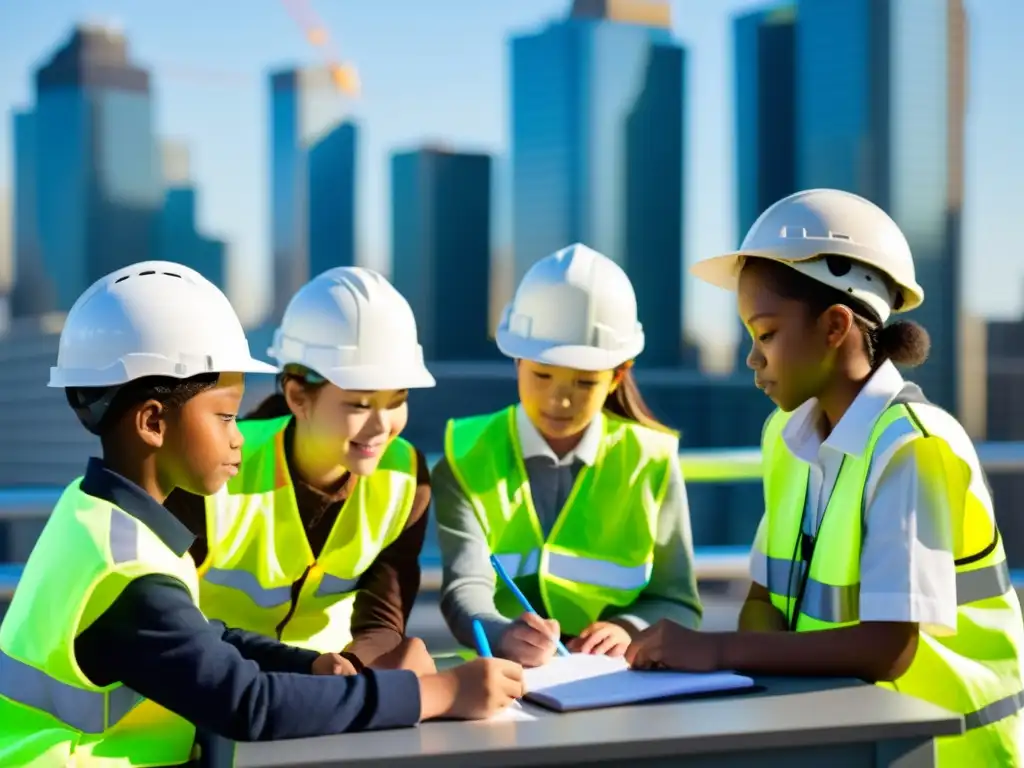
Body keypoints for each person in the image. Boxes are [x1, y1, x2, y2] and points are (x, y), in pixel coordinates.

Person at [0, 262, 523, 768]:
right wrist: (439, 692)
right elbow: (250, 704)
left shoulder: (93, 513)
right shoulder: (128, 577)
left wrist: (310, 665)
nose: (238, 434)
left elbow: (202, 634)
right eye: (226, 416)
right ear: (153, 422)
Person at [625, 189, 1024, 764]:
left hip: (944, 753)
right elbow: (764, 600)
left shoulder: (913, 445)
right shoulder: (784, 437)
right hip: (841, 738)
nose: (752, 358)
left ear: (836, 325)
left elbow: (890, 648)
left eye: (765, 334)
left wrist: (714, 653)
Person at [435, 243, 703, 668]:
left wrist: (629, 628)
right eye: (542, 374)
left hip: (618, 683)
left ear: (617, 377)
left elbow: (677, 600)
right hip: (504, 680)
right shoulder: (466, 453)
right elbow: (463, 588)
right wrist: (503, 634)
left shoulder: (651, 458)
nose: (559, 400)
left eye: (583, 382)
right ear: (517, 361)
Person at [166, 267, 436, 674]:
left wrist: (348, 670)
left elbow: (382, 621)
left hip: (329, 698)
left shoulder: (406, 478)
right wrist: (312, 673)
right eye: (360, 405)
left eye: (397, 400)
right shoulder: (214, 468)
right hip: (212, 689)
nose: (384, 427)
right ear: (297, 396)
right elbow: (170, 622)